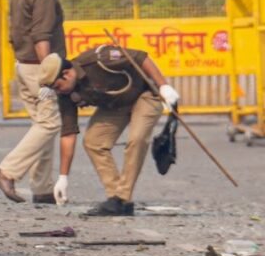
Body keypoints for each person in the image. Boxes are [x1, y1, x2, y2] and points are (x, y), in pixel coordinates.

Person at [40, 47, 180, 216]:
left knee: (136, 139)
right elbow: (68, 134)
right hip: (116, 106)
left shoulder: (99, 59)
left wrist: (163, 85)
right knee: (93, 141)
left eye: (57, 86)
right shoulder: (66, 94)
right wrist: (63, 177)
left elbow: (141, 57)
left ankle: (121, 198)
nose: (57, 91)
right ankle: (117, 198)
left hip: (145, 95)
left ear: (67, 74)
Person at [0, 0, 72, 204]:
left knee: (42, 125)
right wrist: (50, 74)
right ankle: (7, 171)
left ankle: (43, 188)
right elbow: (41, 35)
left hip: (24, 65)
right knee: (51, 123)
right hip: (40, 68)